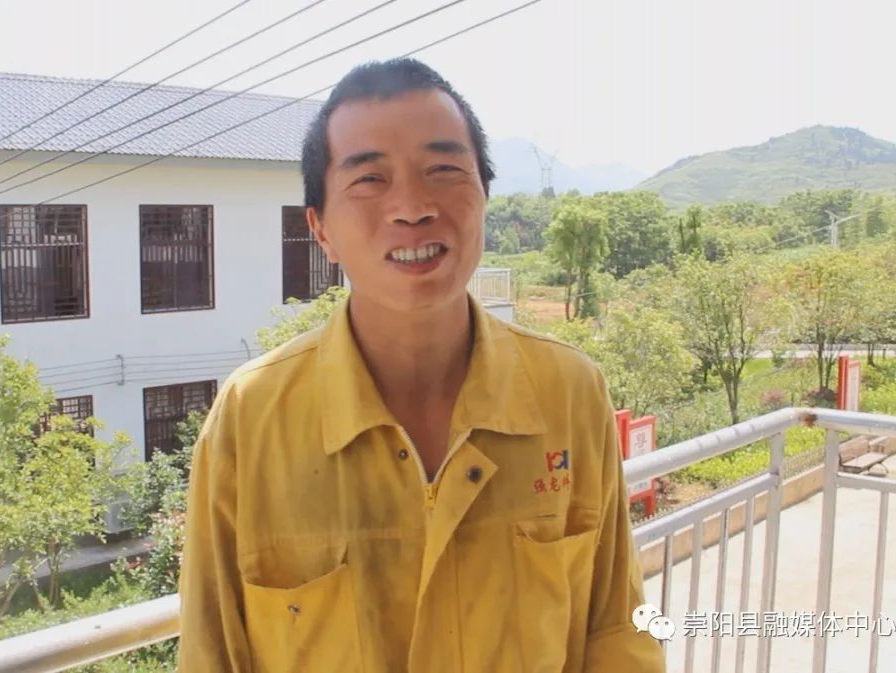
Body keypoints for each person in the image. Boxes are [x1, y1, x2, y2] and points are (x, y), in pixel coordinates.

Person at [178, 58, 665, 672]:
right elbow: (211, 655)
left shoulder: (568, 391)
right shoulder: (251, 419)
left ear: (484, 195)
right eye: (369, 179)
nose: (411, 207)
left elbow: (616, 630)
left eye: (443, 170)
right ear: (321, 229)